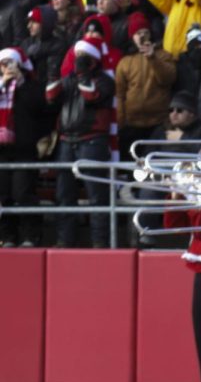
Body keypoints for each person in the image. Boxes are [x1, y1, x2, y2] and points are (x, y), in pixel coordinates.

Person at [45, 40, 115, 247]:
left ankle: (100, 243)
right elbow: (50, 98)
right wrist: (52, 74)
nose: (79, 59)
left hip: (92, 142)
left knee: (96, 195)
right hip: (67, 141)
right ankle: (64, 241)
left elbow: (92, 96)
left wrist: (84, 76)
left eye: (84, 55)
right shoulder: (68, 80)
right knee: (64, 195)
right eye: (78, 55)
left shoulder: (104, 81)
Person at [0, 46, 47, 247]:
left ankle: (30, 235)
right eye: (3, 64)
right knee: (4, 194)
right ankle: (7, 236)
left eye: (11, 63)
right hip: (2, 150)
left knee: (23, 192)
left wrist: (20, 82)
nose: (7, 67)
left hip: (23, 147)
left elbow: (38, 106)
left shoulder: (31, 86)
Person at [115, 13, 176, 156]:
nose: (142, 36)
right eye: (138, 33)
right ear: (132, 37)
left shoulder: (163, 56)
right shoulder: (125, 61)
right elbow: (120, 94)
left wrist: (152, 58)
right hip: (132, 124)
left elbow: (168, 78)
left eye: (146, 32)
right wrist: (121, 122)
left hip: (158, 123)